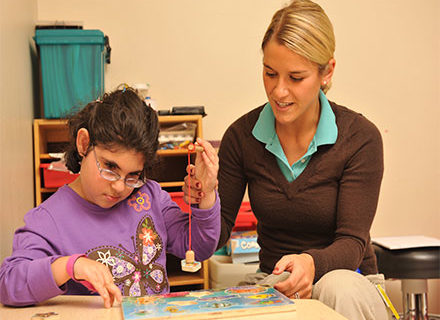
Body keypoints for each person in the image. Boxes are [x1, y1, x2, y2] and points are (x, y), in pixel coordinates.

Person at [183, 1, 389, 319]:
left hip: (351, 280)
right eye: (270, 73)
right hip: (276, 285)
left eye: (295, 77)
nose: (279, 91)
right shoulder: (242, 137)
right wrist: (205, 200)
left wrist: (310, 263)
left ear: (327, 72)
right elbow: (214, 239)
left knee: (337, 287)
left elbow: (352, 242)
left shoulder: (360, 138)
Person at [0, 86, 220, 308]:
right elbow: (8, 284)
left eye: (133, 175)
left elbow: (199, 248)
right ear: (84, 144)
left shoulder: (149, 196)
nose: (119, 187)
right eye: (109, 166)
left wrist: (206, 193)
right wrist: (69, 267)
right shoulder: (49, 218)